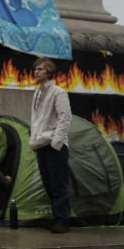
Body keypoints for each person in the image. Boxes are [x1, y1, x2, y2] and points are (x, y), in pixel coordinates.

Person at [29, 57, 72, 233]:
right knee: (48, 183)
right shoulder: (37, 92)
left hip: (55, 145)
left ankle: (63, 220)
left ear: (49, 72)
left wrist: (56, 142)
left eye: (40, 69)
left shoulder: (58, 92)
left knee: (58, 184)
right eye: (35, 69)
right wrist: (35, 140)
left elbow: (65, 118)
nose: (36, 71)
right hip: (41, 144)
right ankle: (56, 217)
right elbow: (37, 119)